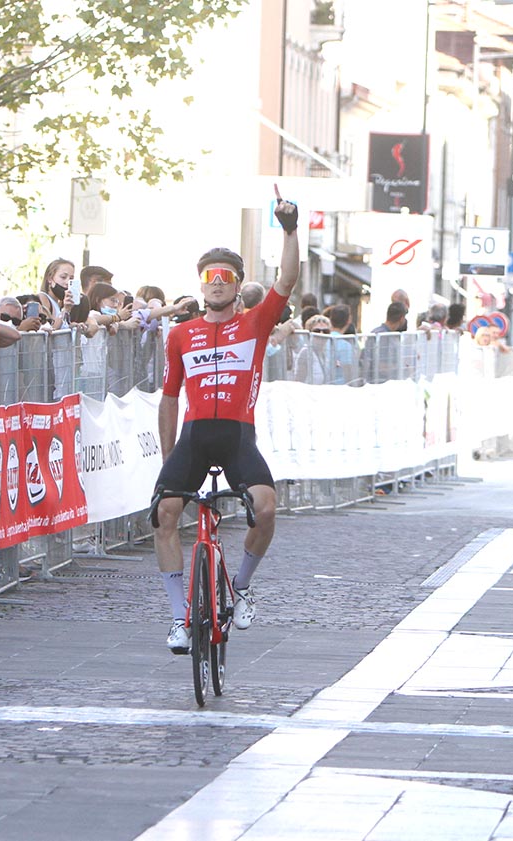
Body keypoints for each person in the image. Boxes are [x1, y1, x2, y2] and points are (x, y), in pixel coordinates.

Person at [153, 188, 300, 653]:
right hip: (195, 437)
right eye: (209, 277)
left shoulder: (255, 324)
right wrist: (168, 454)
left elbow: (288, 278)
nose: (216, 283)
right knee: (165, 515)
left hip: (237, 436)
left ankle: (240, 586)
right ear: (201, 286)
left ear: (238, 285)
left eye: (226, 277)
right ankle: (180, 618)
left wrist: (290, 228)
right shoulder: (181, 334)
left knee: (268, 508)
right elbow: (170, 397)